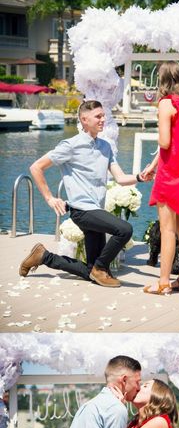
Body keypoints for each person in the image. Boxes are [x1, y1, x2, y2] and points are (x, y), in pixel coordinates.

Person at [19, 100, 150, 288]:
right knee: (124, 229)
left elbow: (120, 178)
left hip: (95, 210)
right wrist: (49, 197)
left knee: (91, 273)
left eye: (103, 115)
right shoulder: (71, 145)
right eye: (98, 116)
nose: (103, 119)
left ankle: (44, 256)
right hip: (82, 210)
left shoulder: (106, 146)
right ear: (84, 119)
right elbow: (36, 167)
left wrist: (140, 177)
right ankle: (100, 268)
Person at [142, 62, 179, 295]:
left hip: (171, 175)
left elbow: (165, 142)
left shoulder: (166, 104)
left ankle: (163, 282)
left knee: (167, 230)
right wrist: (153, 165)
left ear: (162, 80)